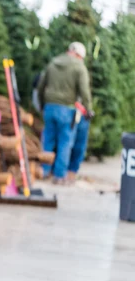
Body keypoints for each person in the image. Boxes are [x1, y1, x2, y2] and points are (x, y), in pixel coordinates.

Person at [37, 42, 93, 184]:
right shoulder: (79, 67)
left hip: (49, 107)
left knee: (48, 140)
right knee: (65, 142)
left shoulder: (53, 63)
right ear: (79, 55)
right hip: (66, 109)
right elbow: (84, 91)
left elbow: (41, 86)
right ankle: (59, 176)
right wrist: (88, 109)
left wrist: (42, 105)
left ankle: (43, 171)